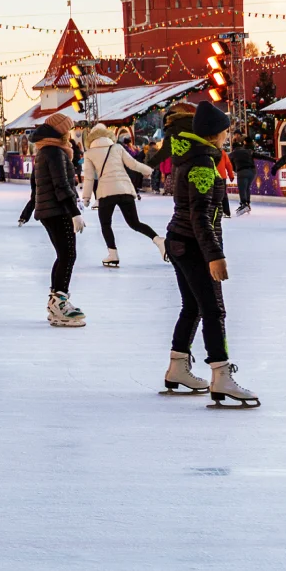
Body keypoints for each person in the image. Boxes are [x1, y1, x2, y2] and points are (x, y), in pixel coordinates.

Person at [161, 101, 257, 406]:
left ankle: (177, 368)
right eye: (226, 131)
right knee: (213, 309)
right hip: (192, 244)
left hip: (179, 240)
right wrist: (214, 255)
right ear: (216, 133)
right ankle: (221, 374)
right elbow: (200, 214)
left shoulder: (191, 155)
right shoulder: (202, 162)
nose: (228, 135)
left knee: (193, 306)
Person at [29, 114, 87, 327]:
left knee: (64, 254)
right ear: (62, 131)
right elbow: (61, 185)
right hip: (57, 210)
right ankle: (59, 303)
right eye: (68, 129)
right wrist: (74, 212)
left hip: (50, 209)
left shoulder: (47, 150)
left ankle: (56, 300)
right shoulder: (54, 152)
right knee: (68, 254)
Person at [81, 123, 160, 269]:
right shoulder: (116, 148)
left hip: (106, 193)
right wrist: (148, 170)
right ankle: (160, 241)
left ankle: (113, 254)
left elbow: (89, 178)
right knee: (135, 223)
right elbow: (133, 164)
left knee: (106, 224)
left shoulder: (90, 153)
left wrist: (86, 198)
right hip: (125, 189)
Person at [227, 134, 260, 216]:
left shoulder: (233, 153)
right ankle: (247, 203)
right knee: (247, 188)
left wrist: (234, 170)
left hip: (242, 171)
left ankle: (244, 204)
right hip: (252, 172)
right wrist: (273, 160)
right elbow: (260, 156)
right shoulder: (247, 151)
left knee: (242, 188)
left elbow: (228, 163)